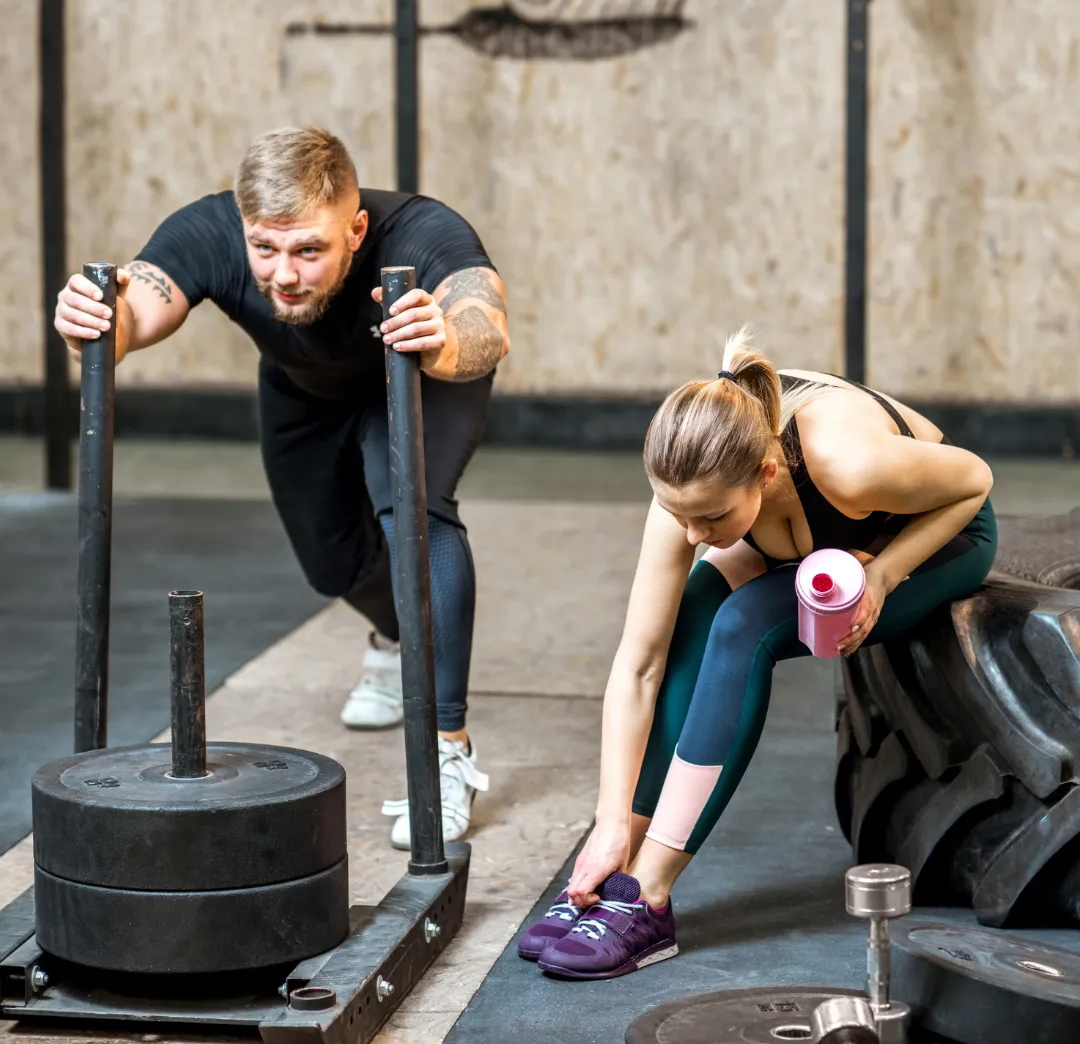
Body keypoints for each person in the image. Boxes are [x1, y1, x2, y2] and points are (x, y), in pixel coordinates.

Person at [53, 126, 510, 850]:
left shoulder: (421, 230)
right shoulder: (213, 230)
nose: (285, 274)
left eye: (309, 251)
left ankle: (447, 748)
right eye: (265, 249)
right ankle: (398, 640)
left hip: (421, 371)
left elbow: (484, 320)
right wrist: (93, 323)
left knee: (413, 513)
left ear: (356, 231)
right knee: (328, 560)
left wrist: (446, 338)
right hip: (303, 387)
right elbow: (136, 309)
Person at [517, 327, 996, 979]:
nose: (692, 534)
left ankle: (649, 896)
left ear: (766, 474)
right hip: (801, 537)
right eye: (677, 513)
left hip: (934, 537)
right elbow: (637, 668)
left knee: (745, 623)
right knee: (691, 614)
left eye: (708, 520)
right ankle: (617, 866)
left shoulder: (846, 466)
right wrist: (608, 823)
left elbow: (976, 483)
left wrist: (882, 575)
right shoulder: (693, 495)